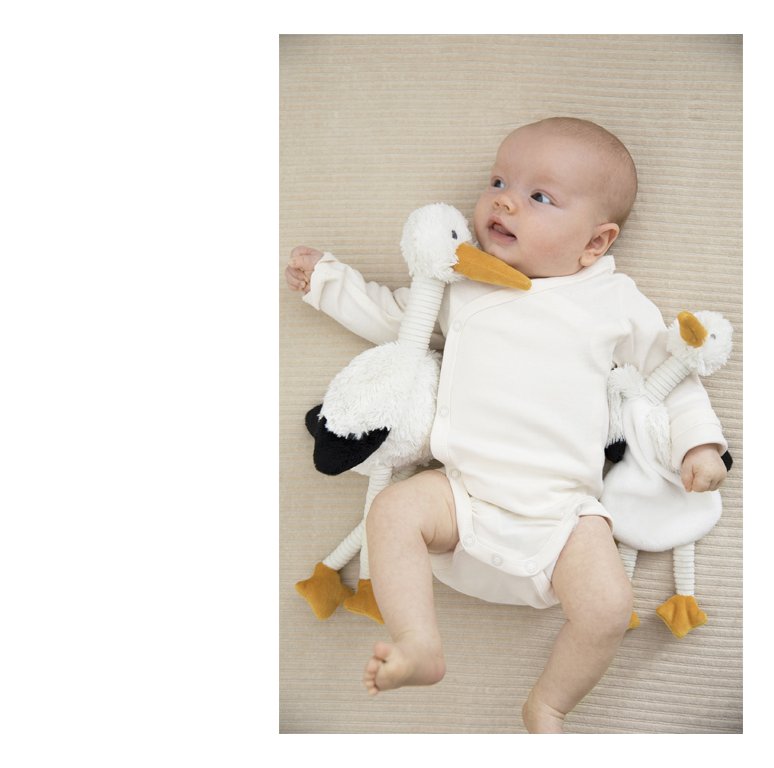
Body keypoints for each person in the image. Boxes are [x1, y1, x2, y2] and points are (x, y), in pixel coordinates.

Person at [285, 117, 728, 733]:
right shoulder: (465, 280)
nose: (505, 200)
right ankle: (418, 642)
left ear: (595, 243)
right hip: (462, 494)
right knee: (391, 512)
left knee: (607, 607)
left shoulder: (613, 299)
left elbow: (670, 369)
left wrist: (698, 443)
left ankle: (548, 703)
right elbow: (400, 322)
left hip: (563, 513)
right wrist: (329, 284)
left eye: (539, 196)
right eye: (498, 181)